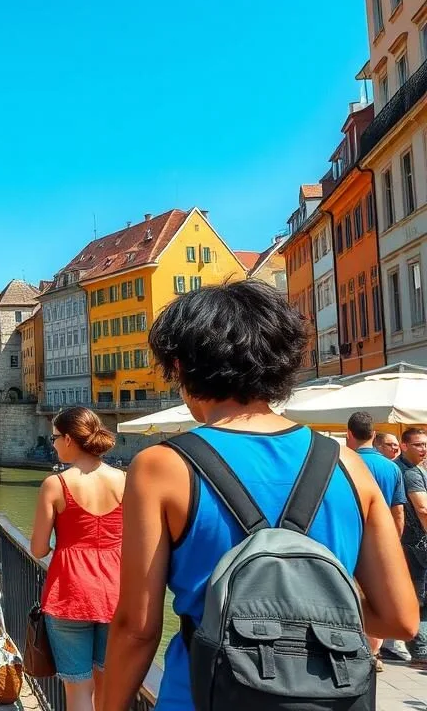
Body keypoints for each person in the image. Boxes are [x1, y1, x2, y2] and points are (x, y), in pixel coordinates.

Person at [101, 280, 417, 710]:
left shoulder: (163, 466)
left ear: (180, 367)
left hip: (202, 693)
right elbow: (401, 618)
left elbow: (137, 628)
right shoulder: (349, 465)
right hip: (329, 695)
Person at [29, 407, 124, 711]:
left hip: (69, 594)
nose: (53, 443)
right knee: (107, 686)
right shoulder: (125, 480)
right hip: (115, 594)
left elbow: (39, 549)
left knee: (78, 691)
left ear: (69, 439)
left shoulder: (55, 485)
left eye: (55, 437)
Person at [345, 411, 409, 670]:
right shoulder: (391, 467)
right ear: (373, 435)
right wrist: (393, 542)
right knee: (376, 597)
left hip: (349, 539)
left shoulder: (341, 462)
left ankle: (353, 646)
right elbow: (399, 511)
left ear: (349, 433)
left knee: (349, 595)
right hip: (380, 541)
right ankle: (373, 653)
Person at [397, 427, 427, 665]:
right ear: (404, 445)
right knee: (420, 595)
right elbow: (423, 509)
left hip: (409, 542)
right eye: (418, 444)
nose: (423, 448)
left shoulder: (410, 468)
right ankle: (421, 650)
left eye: (425, 444)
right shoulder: (410, 474)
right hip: (417, 542)